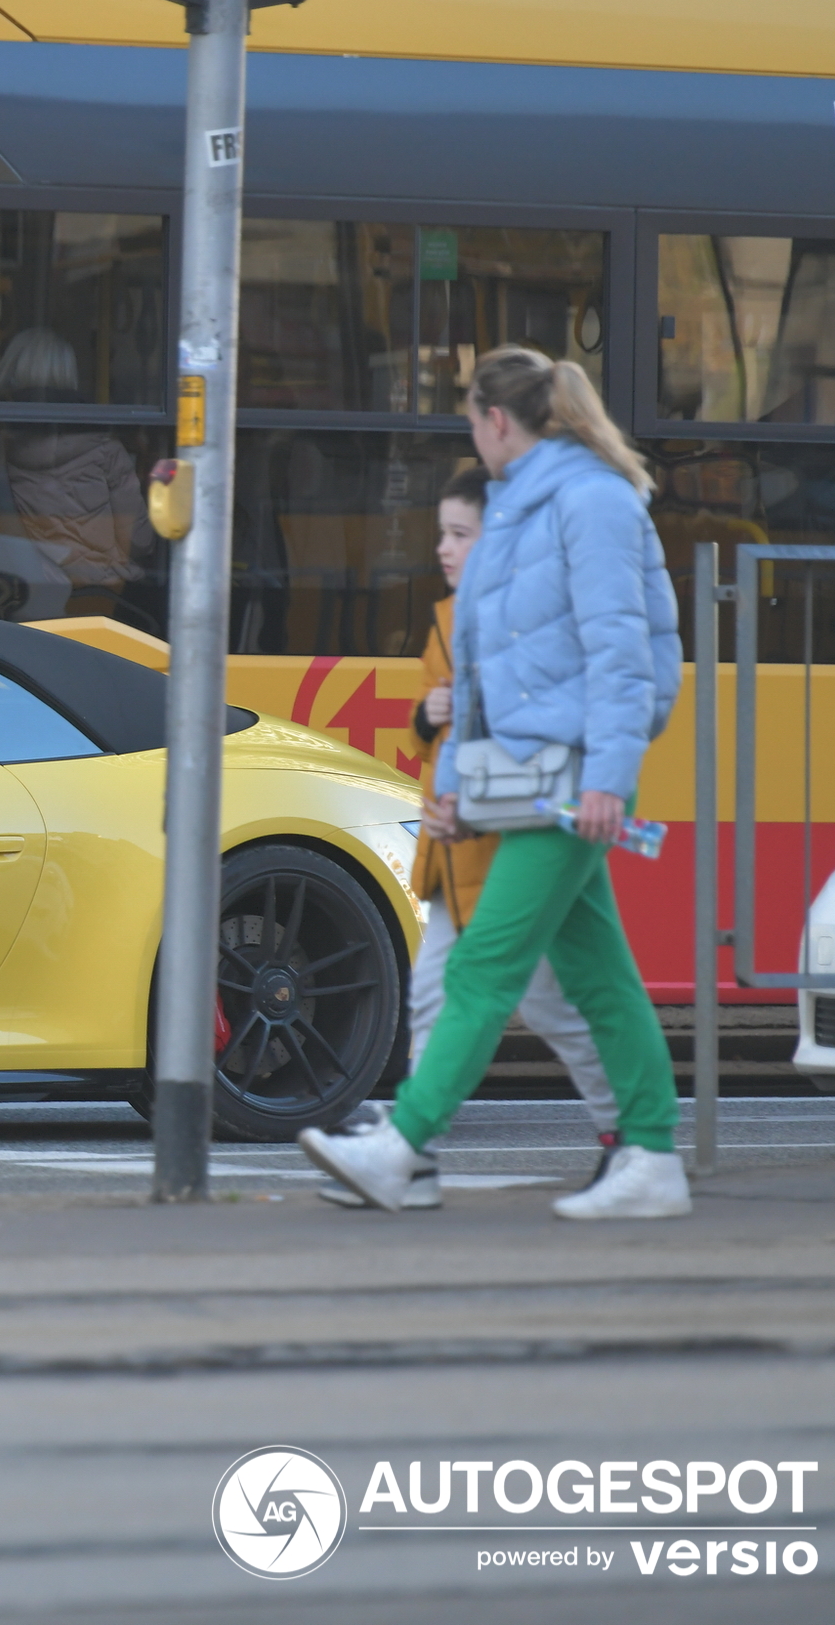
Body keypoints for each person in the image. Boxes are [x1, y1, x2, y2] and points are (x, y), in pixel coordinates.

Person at [302, 346, 686, 1221]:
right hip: (530, 776)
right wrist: (463, 782)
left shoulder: (585, 502)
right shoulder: (529, 503)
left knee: (482, 966)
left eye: (472, 421)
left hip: (569, 778)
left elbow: (621, 655)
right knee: (598, 977)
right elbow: (492, 663)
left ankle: (402, 1148)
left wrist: (609, 780)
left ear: (498, 421)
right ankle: (651, 1156)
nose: (472, 436)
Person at [319, 465, 620, 1209]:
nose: (444, 549)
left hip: (512, 847)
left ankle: (629, 1136)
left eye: (461, 533)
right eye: (442, 534)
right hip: (456, 851)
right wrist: (428, 719)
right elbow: (434, 734)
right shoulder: (449, 619)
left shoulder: (525, 625)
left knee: (551, 1005)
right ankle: (409, 1157)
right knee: (431, 997)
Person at [0, 329, 150, 616]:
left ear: (10, 372)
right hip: (98, 598)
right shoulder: (106, 448)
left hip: (18, 597)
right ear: (71, 376)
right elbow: (140, 539)